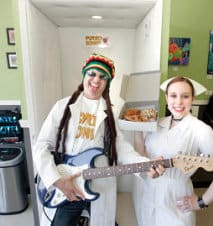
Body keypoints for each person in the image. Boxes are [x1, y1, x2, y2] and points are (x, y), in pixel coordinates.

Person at [33, 53, 163, 226]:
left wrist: (144, 164)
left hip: (99, 185)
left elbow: (120, 146)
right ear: (84, 75)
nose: (96, 80)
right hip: (68, 184)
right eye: (92, 74)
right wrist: (57, 180)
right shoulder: (62, 106)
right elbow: (42, 145)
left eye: (102, 77)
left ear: (107, 83)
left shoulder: (110, 114)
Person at [134, 76, 213, 226]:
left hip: (177, 200)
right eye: (173, 95)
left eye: (185, 96)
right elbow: (141, 155)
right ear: (166, 98)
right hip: (148, 195)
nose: (178, 102)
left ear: (192, 98)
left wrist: (200, 202)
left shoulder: (201, 130)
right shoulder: (157, 123)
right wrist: (137, 129)